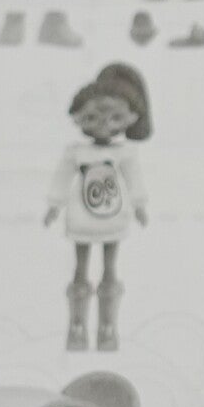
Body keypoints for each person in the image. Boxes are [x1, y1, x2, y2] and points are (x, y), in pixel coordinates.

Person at [45, 62, 151, 351]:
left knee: (109, 268)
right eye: (92, 117)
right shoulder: (76, 152)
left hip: (113, 216)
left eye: (115, 117)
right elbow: (62, 177)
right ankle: (77, 326)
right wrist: (54, 205)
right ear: (78, 117)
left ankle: (107, 327)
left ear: (130, 118)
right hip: (82, 215)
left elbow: (134, 179)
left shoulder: (125, 152)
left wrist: (140, 204)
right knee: (80, 268)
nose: (104, 125)